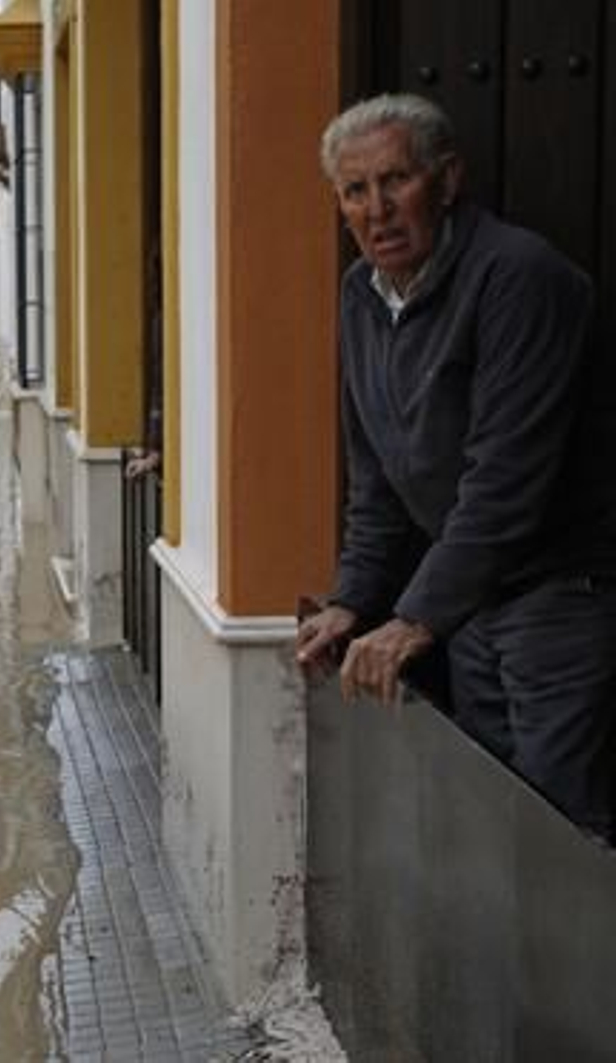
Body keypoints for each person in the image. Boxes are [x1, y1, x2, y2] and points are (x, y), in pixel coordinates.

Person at [296, 94, 616, 838]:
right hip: (469, 607)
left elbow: (506, 479)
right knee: (492, 827)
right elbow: (375, 479)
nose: (376, 209)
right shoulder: (360, 297)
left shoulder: (519, 277)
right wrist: (352, 598)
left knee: (559, 834)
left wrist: (413, 618)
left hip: (559, 594)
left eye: (395, 180)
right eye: (354, 190)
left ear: (445, 181)